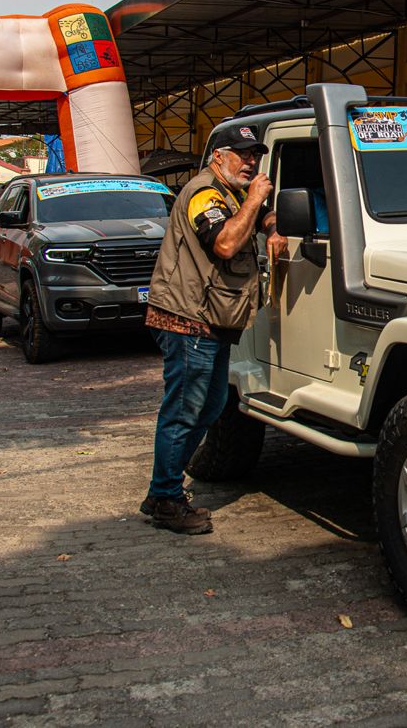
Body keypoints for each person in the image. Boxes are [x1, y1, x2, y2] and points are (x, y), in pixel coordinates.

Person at [140, 126, 286, 534]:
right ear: (218, 156)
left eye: (254, 154)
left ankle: (162, 489)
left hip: (211, 319)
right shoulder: (205, 194)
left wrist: (272, 224)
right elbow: (224, 243)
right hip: (188, 319)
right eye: (242, 154)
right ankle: (166, 499)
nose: (251, 162)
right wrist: (255, 200)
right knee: (185, 410)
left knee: (210, 405)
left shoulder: (232, 192)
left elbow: (263, 211)